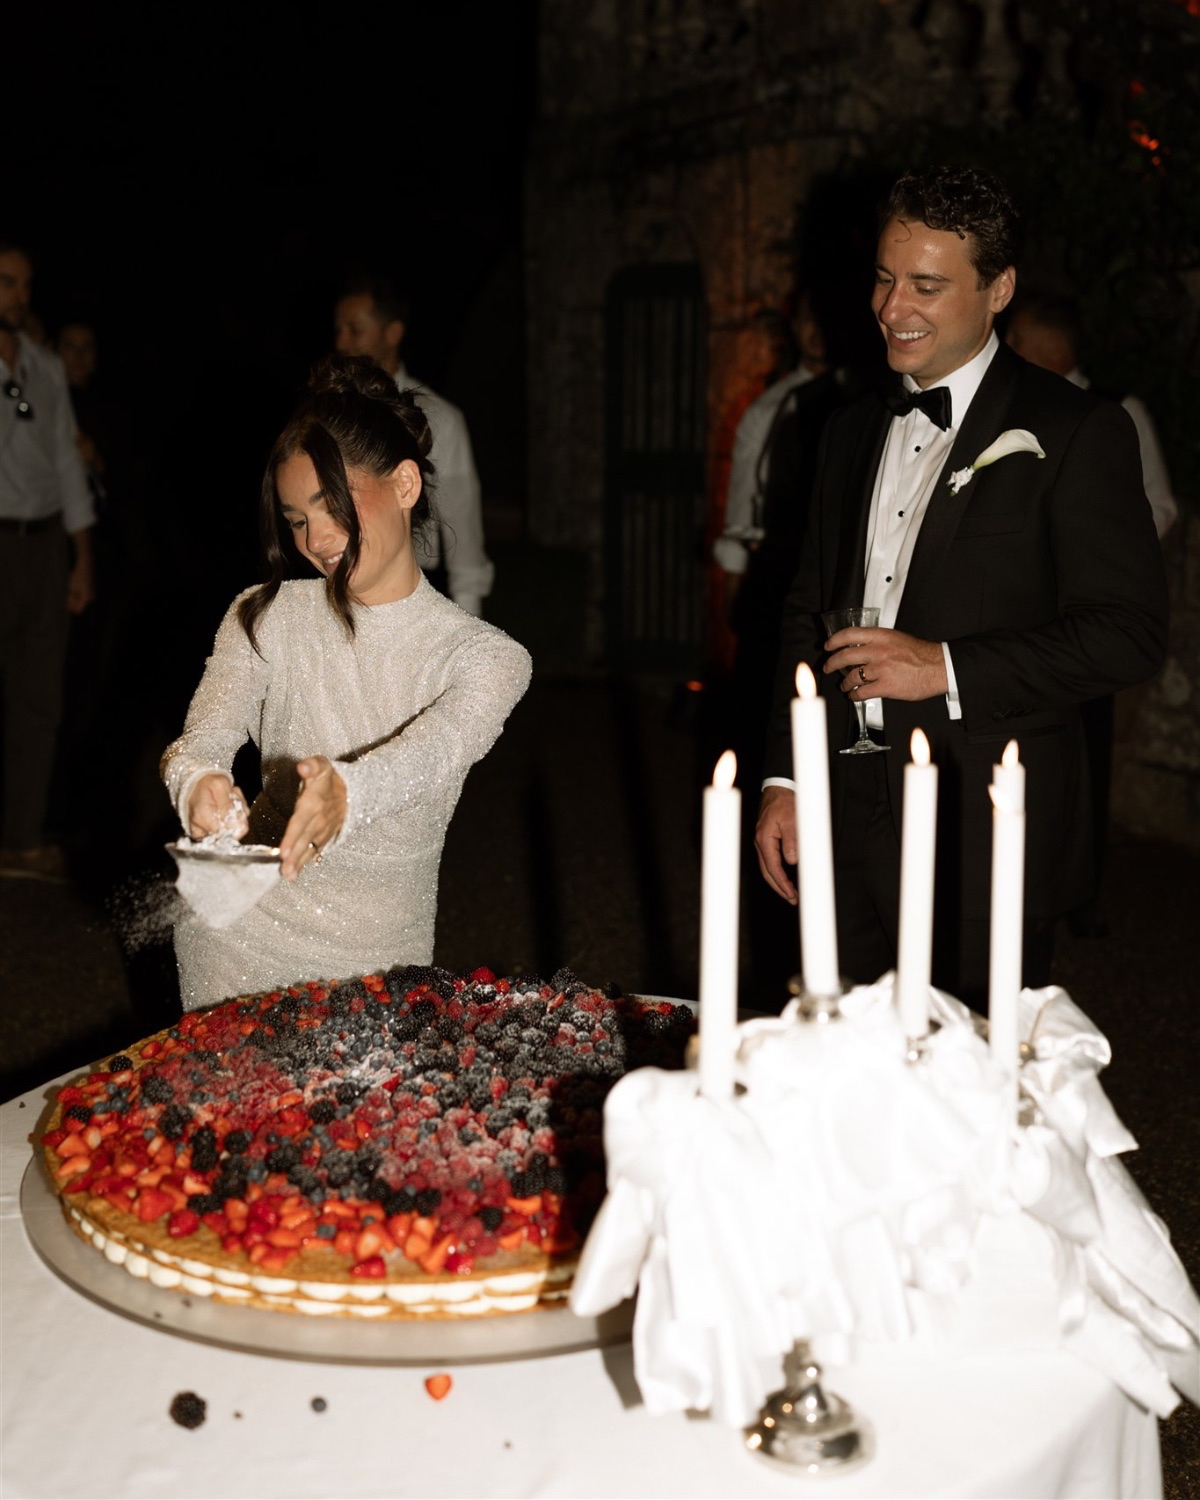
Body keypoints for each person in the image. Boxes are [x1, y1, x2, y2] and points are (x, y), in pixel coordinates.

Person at [754, 166, 1169, 1011]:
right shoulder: (846, 428)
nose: (891, 307)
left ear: (998, 290)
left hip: (981, 825)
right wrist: (787, 779)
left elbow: (1128, 634)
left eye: (927, 286)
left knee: (967, 1073)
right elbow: (806, 609)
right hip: (842, 808)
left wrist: (943, 666)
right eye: (884, 277)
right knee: (838, 1056)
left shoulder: (1078, 430)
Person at [161, 354, 531, 1011]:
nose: (316, 538)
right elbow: (197, 745)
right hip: (230, 947)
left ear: (406, 484)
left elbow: (431, 754)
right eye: (296, 519)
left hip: (373, 970)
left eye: (331, 504)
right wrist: (199, 785)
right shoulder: (263, 615)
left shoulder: (484, 658)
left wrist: (347, 791)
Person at [1006, 291, 1179, 937]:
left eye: (1017, 338)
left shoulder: (1119, 409)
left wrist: (1092, 558)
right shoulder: (1013, 406)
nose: (1008, 348)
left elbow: (1158, 506)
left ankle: (1079, 888)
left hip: (1087, 611)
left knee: (1086, 746)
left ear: (1049, 344)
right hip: (1021, 613)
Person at [0, 237, 95, 881]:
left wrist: (80, 556)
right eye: (7, 282)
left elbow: (66, 459)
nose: (21, 296)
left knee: (37, 697)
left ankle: (22, 838)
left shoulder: (44, 365)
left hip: (42, 545)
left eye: (25, 284)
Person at [333, 275, 494, 616]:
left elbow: (462, 524)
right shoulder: (327, 412)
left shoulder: (438, 418)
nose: (342, 342)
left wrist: (469, 622)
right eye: (339, 330)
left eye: (354, 330)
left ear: (392, 333)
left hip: (412, 598)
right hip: (333, 586)